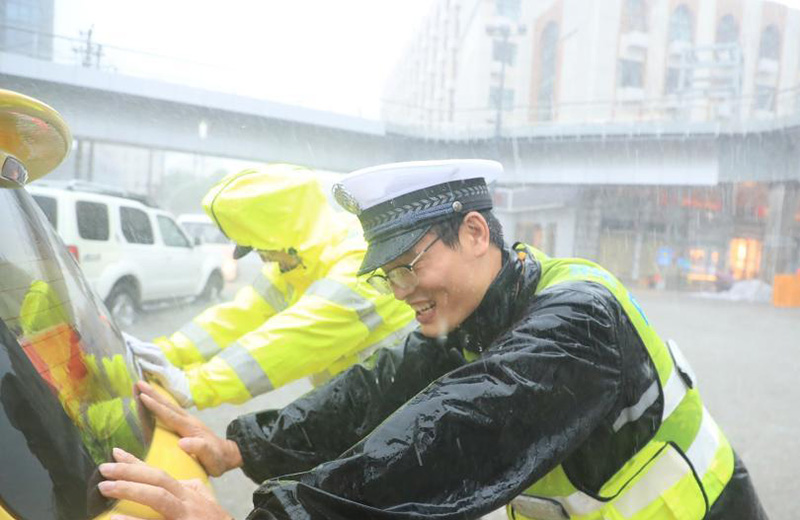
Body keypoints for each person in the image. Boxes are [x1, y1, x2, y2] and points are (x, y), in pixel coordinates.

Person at [100, 159, 767, 520]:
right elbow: (373, 391)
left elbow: (446, 437)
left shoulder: (577, 319)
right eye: (390, 275)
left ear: (476, 233)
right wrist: (239, 446)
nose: (402, 290)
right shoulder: (474, 313)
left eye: (411, 265)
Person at [125, 164, 418, 409]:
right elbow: (239, 316)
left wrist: (196, 385)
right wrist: (167, 352)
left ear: (286, 238)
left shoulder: (359, 260)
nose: (261, 257)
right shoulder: (294, 262)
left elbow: (296, 338)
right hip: (361, 406)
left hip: (405, 408)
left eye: (262, 248)